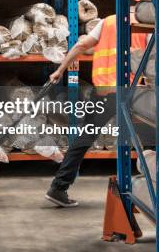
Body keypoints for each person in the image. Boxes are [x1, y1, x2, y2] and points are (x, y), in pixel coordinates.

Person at [45, 14, 147, 207]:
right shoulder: (146, 24)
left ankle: (58, 187)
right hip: (131, 93)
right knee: (147, 139)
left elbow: (80, 46)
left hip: (103, 91)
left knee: (85, 138)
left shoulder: (107, 22)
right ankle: (148, 191)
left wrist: (60, 70)